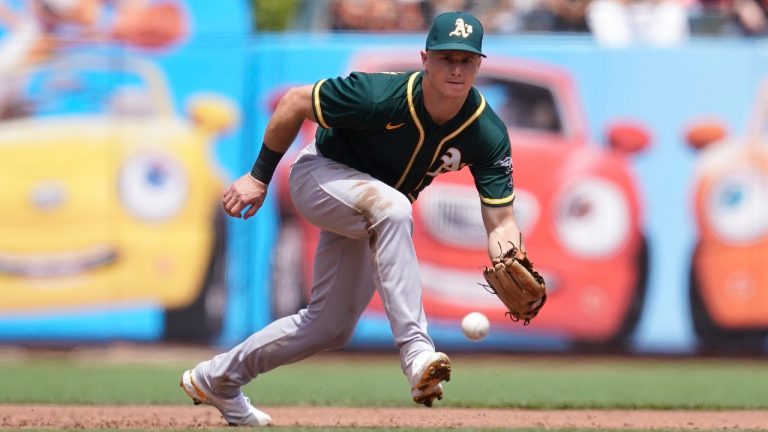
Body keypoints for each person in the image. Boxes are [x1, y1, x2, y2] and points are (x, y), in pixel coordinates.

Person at [180, 11, 529, 427]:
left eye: (466, 60)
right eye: (446, 57)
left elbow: (502, 222)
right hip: (320, 177)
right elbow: (294, 102)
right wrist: (259, 177)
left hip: (370, 211)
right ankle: (417, 353)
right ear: (425, 58)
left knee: (331, 325)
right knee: (395, 207)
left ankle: (217, 378)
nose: (456, 68)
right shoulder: (379, 94)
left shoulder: (485, 131)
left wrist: (513, 259)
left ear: (479, 64)